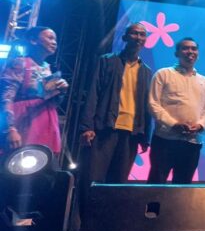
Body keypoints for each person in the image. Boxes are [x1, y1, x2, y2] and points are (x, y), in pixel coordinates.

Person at [79, 23, 152, 184]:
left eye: (142, 34)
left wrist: (146, 136)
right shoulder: (107, 61)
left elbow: (147, 105)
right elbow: (93, 93)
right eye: (134, 33)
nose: (138, 38)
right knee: (93, 179)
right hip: (105, 128)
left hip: (131, 133)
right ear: (125, 37)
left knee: (118, 183)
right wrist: (87, 127)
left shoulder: (146, 71)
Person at [147, 37, 205, 184]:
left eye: (194, 48)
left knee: (183, 187)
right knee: (156, 184)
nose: (190, 51)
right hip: (165, 140)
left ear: (198, 53)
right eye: (185, 48)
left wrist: (200, 125)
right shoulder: (163, 74)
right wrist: (174, 124)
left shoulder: (204, 81)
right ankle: (153, 202)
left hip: (192, 142)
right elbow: (153, 104)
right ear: (177, 53)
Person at [1, 26, 68, 154]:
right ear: (33, 40)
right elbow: (6, 98)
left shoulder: (48, 68)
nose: (54, 42)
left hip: (45, 121)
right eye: (50, 38)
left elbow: (52, 103)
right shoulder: (19, 63)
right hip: (24, 120)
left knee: (40, 160)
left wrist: (61, 91)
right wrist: (10, 129)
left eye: (55, 39)